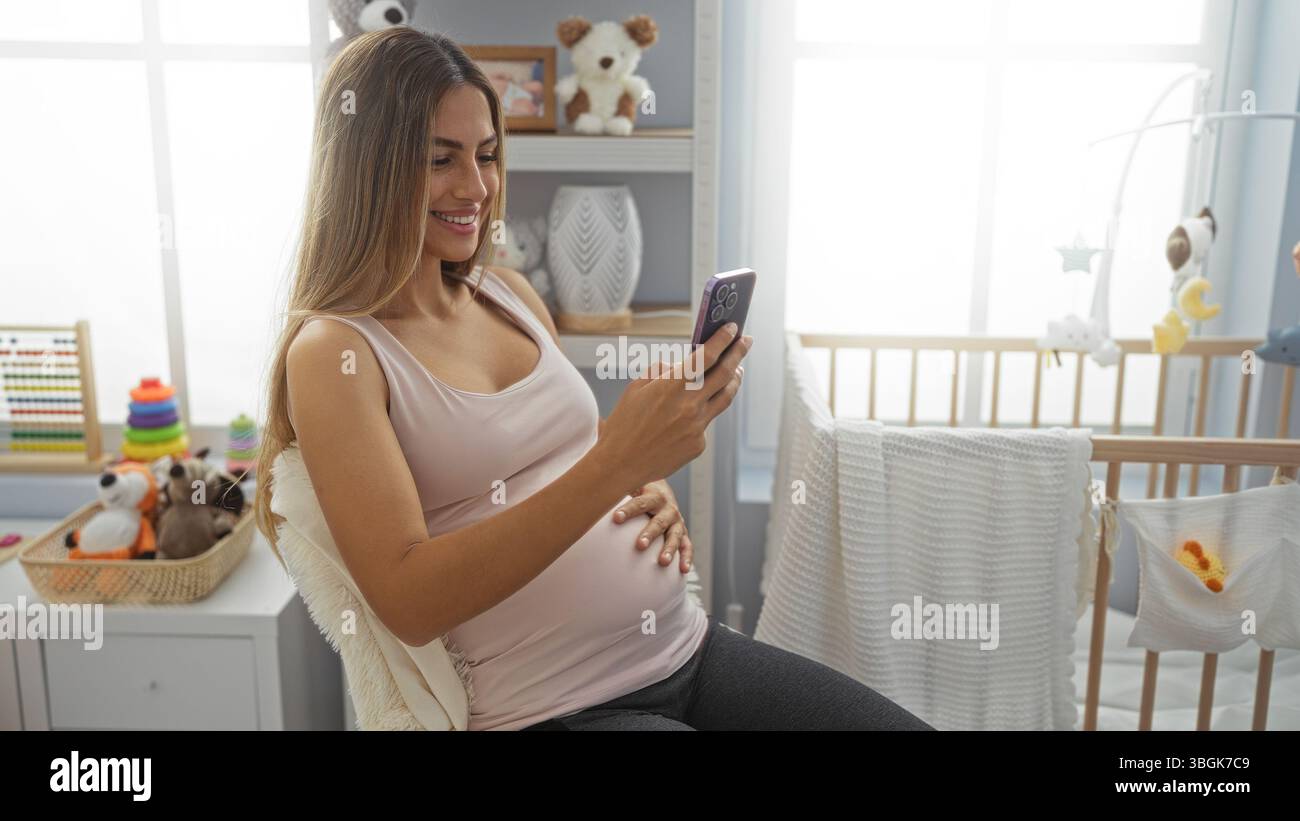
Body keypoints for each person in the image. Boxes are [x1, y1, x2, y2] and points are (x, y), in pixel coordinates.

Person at [253, 26, 933, 732]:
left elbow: (559, 459)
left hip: (688, 651)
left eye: (487, 155)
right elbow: (409, 597)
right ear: (370, 167)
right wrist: (616, 464)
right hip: (556, 708)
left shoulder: (508, 293)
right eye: (440, 159)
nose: (477, 186)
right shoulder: (336, 354)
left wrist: (645, 476)